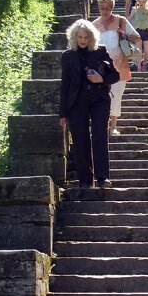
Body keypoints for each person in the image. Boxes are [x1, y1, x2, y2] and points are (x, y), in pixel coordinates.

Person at [59, 18, 120, 189]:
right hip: (76, 103)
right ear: (74, 37)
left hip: (99, 99)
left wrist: (101, 78)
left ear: (92, 37)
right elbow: (65, 85)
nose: (83, 41)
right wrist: (62, 113)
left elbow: (115, 76)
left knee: (100, 136)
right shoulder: (68, 56)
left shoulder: (100, 51)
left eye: (86, 37)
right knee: (81, 140)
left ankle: (102, 177)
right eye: (80, 37)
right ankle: (85, 180)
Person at [92, 0, 141, 136]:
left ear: (112, 7)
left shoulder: (121, 21)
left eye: (107, 8)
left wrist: (123, 34)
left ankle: (113, 126)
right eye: (102, 8)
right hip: (100, 68)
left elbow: (137, 38)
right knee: (101, 97)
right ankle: (101, 125)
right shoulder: (94, 25)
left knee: (116, 96)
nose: (105, 11)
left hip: (120, 65)